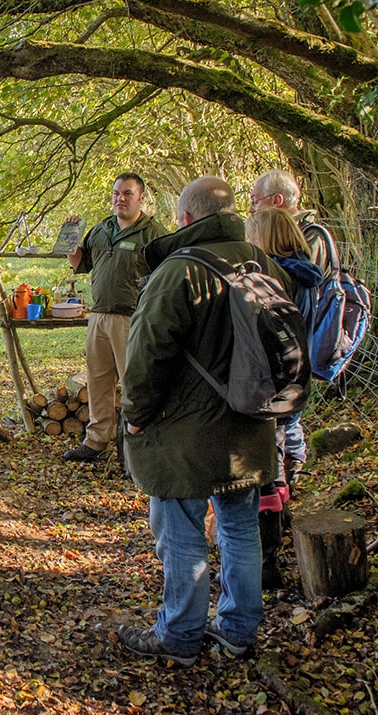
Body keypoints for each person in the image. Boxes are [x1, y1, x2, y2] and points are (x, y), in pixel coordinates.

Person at [118, 177, 289, 666]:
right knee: (240, 529)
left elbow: (146, 357)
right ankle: (237, 630)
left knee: (182, 529)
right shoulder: (263, 262)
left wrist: (135, 417)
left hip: (185, 432)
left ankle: (181, 634)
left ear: (187, 219)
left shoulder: (179, 271)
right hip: (251, 424)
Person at [63, 173, 167, 463]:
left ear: (141, 197)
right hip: (98, 316)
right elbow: (80, 263)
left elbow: (166, 278)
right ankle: (96, 441)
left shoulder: (153, 233)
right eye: (116, 193)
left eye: (127, 194)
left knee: (135, 385)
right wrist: (70, 237)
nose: (120, 198)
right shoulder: (100, 229)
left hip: (132, 319)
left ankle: (137, 449)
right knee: (98, 382)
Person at [245, 207, 323, 588]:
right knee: (287, 442)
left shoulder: (276, 277)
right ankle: (284, 509)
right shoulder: (306, 272)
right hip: (298, 374)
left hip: (273, 377)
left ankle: (267, 557)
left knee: (267, 461)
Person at [249, 169, 339, 488]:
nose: (250, 208)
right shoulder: (299, 251)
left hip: (287, 353)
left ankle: (280, 490)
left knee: (280, 423)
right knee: (288, 419)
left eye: (254, 201)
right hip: (295, 354)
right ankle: (290, 472)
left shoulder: (301, 246)